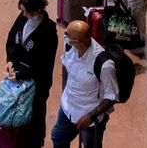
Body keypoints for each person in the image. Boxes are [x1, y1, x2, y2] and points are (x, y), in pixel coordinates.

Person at [50, 20, 118, 148]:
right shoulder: (69, 45)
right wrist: (66, 92)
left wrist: (91, 116)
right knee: (58, 138)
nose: (65, 36)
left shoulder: (104, 64)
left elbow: (111, 97)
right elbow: (66, 65)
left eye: (67, 35)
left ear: (77, 42)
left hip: (89, 116)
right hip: (68, 107)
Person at [4, 0, 58, 147]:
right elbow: (13, 38)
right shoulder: (22, 18)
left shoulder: (48, 31)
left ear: (37, 11)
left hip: (37, 82)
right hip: (19, 72)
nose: (23, 14)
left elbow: (43, 63)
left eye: (26, 12)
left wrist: (21, 74)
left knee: (34, 114)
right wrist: (11, 60)